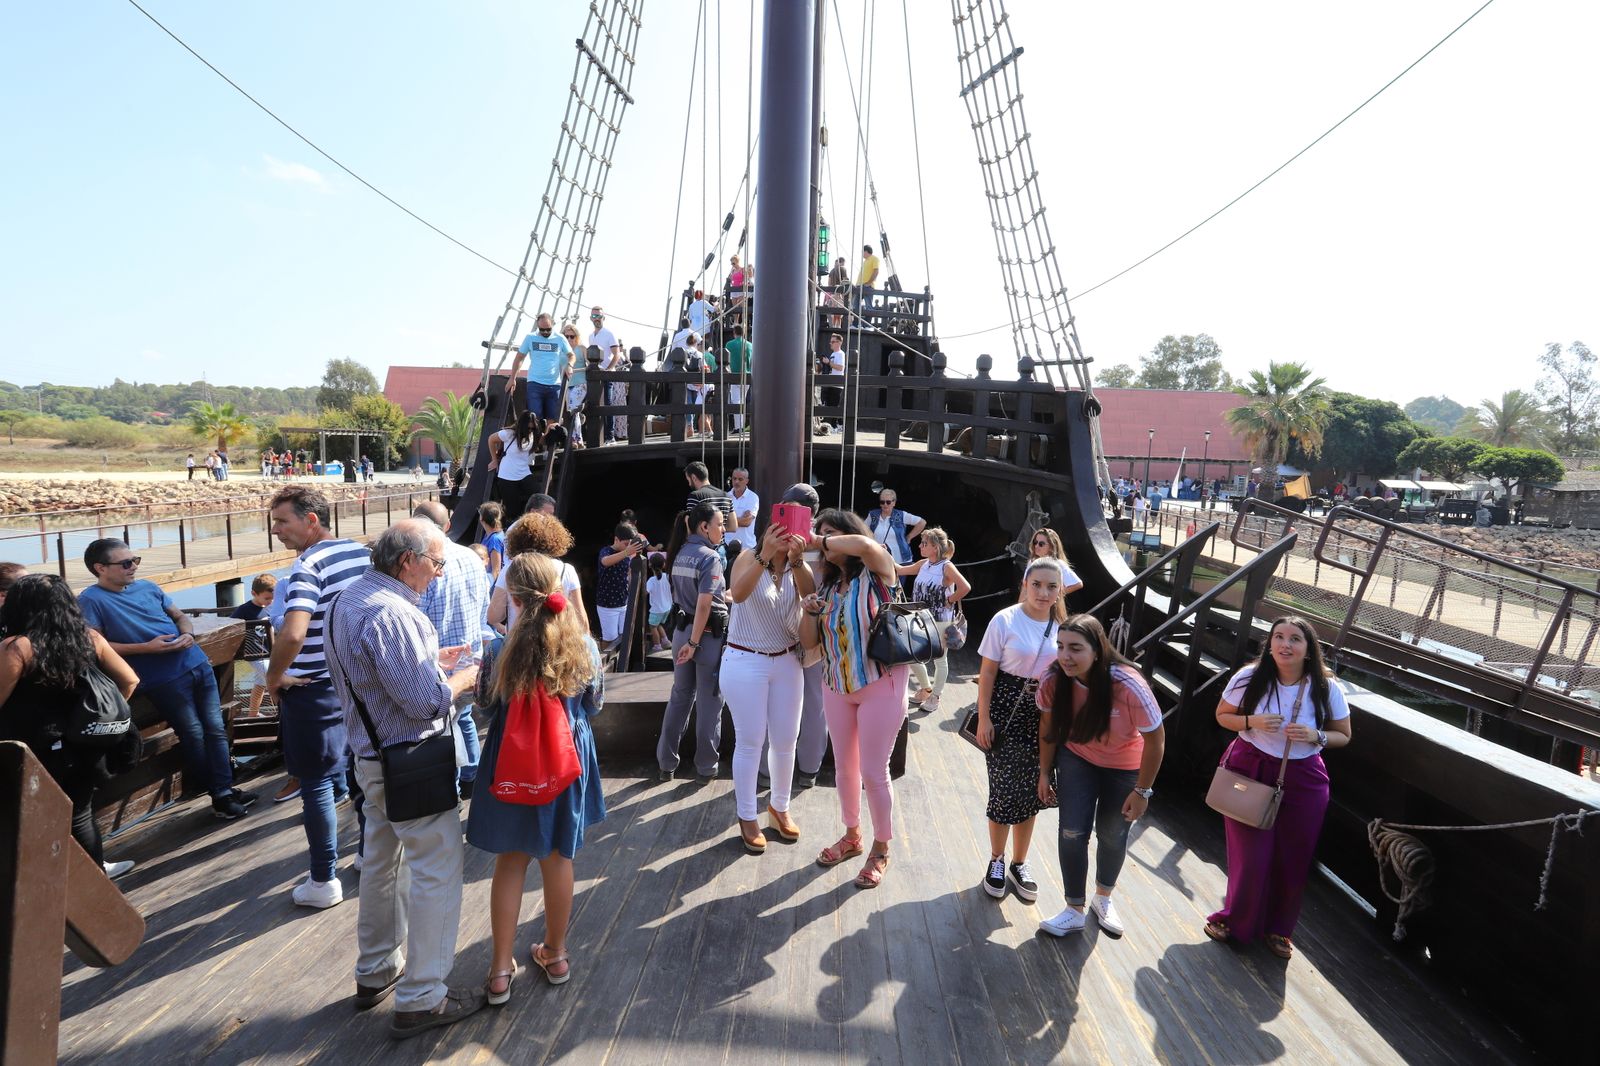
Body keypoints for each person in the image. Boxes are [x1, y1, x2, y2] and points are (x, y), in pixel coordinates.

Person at [322, 520, 485, 1038]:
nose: (438, 574)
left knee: (381, 865)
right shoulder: (394, 613)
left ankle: (375, 971)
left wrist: (430, 663)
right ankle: (422, 997)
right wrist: (464, 677)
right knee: (436, 870)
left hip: (369, 760)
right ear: (406, 561)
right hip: (410, 762)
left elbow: (368, 671)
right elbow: (424, 703)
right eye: (435, 563)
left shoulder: (352, 599)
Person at [467, 552, 606, 1000]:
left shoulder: (495, 649)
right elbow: (594, 704)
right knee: (558, 857)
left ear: (513, 597)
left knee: (510, 860)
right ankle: (556, 953)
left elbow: (484, 708)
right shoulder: (583, 645)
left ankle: (499, 972)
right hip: (566, 757)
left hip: (512, 758)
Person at [1205, 616, 1352, 959]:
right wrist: (1252, 721)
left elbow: (1343, 734)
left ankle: (1279, 929)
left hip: (1304, 777)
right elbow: (1222, 716)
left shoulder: (1325, 687)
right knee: (1251, 857)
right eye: (1279, 637)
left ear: (1308, 648)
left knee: (1293, 858)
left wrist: (1316, 736)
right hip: (1250, 767)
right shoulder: (1250, 677)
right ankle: (1235, 920)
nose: (1285, 644)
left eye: (1295, 639)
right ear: (1269, 644)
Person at [78, 539, 250, 820]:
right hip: (162, 678)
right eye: (125, 563)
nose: (132, 567)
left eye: (135, 560)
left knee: (216, 729)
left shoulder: (148, 587)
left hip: (195, 662)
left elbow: (179, 616)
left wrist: (188, 633)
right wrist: (148, 648)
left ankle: (226, 788)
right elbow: (97, 646)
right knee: (193, 734)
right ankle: (220, 795)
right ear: (100, 568)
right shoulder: (90, 600)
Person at [264, 486, 372, 909]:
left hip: (315, 687)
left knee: (316, 784)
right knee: (362, 771)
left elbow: (292, 632)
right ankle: (366, 853)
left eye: (282, 521)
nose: (276, 531)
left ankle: (324, 879)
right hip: (357, 678)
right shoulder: (361, 554)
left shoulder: (308, 564)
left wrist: (275, 676)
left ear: (312, 520)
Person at [0, 575, 141, 879]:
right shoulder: (89, 637)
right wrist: (94, 716)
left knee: (31, 819)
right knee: (80, 813)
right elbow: (130, 680)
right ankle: (96, 878)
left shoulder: (17, 647)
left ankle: (56, 888)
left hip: (37, 748)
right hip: (85, 744)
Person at [1035, 615, 1166, 938]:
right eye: (1061, 646)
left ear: (1097, 649)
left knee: (1112, 834)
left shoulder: (1128, 685)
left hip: (1124, 767)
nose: (1065, 655)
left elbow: (1156, 739)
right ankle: (1073, 908)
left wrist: (1143, 791)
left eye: (1076, 648)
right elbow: (1048, 728)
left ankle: (1103, 898)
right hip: (1077, 758)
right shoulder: (1053, 680)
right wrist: (1044, 772)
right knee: (1071, 832)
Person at [801, 508, 907, 889]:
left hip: (881, 681)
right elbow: (809, 643)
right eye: (820, 535)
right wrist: (810, 613)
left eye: (831, 535)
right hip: (836, 684)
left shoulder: (879, 572)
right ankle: (852, 835)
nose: (825, 542)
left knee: (874, 771)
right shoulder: (828, 587)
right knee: (844, 767)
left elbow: (864, 544)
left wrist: (816, 541)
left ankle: (881, 848)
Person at [972, 557, 1064, 903]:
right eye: (1037, 584)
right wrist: (984, 718)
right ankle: (996, 859)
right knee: (1004, 789)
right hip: (1007, 708)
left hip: (1045, 713)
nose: (1043, 592)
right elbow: (988, 673)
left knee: (1033, 793)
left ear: (1059, 591)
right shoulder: (1005, 620)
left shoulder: (1061, 626)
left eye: (1051, 586)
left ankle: (1019, 862)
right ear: (1025, 583)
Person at [723, 519, 815, 853]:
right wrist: (765, 556)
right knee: (750, 741)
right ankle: (747, 814)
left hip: (787, 660)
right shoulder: (748, 557)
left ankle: (780, 806)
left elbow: (810, 595)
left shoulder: (797, 567)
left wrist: (797, 560)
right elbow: (739, 593)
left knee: (786, 740)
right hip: (746, 659)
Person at [413, 502, 492, 799]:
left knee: (447, 726)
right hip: (471, 656)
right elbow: (484, 605)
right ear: (447, 525)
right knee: (464, 717)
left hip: (440, 661)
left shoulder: (426, 562)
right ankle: (472, 776)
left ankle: (454, 786)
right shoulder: (472, 558)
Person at [657, 501, 728, 781]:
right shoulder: (710, 557)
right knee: (711, 702)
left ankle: (666, 763)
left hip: (680, 634)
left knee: (680, 697)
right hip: (705, 639)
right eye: (720, 524)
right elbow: (704, 604)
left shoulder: (680, 553)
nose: (723, 529)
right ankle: (706, 766)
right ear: (704, 527)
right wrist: (696, 644)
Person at [898, 527, 970, 714]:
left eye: (924, 543)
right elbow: (899, 570)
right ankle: (926, 689)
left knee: (940, 660)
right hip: (920, 618)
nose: (920, 546)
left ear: (935, 547)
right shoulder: (924, 564)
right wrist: (881, 553)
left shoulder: (946, 566)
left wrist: (949, 600)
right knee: (911, 655)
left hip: (940, 621)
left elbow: (965, 587)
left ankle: (935, 696)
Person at [489, 512, 588, 636]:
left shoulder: (509, 570)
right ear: (555, 539)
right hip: (557, 646)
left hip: (517, 646)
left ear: (517, 539)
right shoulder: (567, 570)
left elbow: (494, 616)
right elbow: (581, 621)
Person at [508, 312, 573, 424]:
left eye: (548, 329)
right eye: (542, 330)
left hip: (554, 384)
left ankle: (548, 440)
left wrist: (569, 365)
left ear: (553, 325)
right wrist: (512, 378)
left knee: (553, 419)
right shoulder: (530, 338)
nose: (545, 332)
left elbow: (571, 355)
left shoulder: (560, 338)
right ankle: (535, 440)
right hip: (535, 383)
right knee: (534, 418)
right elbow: (519, 358)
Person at [229, 573, 277, 716]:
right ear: (254, 593)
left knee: (260, 684)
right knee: (274, 677)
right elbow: (230, 625)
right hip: (254, 654)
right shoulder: (244, 609)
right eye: (267, 598)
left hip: (268, 652)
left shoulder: (269, 608)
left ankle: (252, 714)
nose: (270, 601)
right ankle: (284, 711)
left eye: (272, 598)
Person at [595, 521, 646, 645]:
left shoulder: (628, 554)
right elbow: (605, 562)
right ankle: (605, 664)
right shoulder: (606, 551)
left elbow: (629, 573)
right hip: (607, 604)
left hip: (623, 602)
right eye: (626, 544)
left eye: (630, 544)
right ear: (616, 539)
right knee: (610, 638)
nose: (628, 547)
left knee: (625, 636)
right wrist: (627, 552)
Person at [486, 410, 542, 521]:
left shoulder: (533, 434)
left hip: (524, 472)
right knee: (513, 510)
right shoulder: (509, 434)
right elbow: (491, 439)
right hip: (507, 475)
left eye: (533, 428)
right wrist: (494, 460)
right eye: (528, 428)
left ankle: (532, 522)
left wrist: (550, 428)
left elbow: (542, 439)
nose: (530, 430)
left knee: (538, 496)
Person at [1024, 527, 1084, 621]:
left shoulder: (1058, 563)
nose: (1036, 546)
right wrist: (1020, 606)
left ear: (1051, 546)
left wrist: (1054, 594)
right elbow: (1025, 587)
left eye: (1041, 544)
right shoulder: (1031, 562)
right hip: (1031, 607)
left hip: (1050, 610)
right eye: (1035, 542)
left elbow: (1077, 584)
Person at [586, 307, 626, 443]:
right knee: (594, 405)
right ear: (590, 318)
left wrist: (609, 369)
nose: (596, 318)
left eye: (599, 316)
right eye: (594, 316)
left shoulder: (609, 334)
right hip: (594, 376)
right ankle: (598, 436)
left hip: (606, 376)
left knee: (608, 405)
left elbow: (617, 354)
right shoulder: (591, 336)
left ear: (604, 317)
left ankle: (610, 436)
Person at [866, 488, 925, 568]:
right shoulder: (873, 515)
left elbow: (921, 522)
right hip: (878, 559)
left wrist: (909, 537)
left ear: (894, 503)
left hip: (900, 560)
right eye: (882, 502)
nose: (885, 505)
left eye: (888, 502)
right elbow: (862, 529)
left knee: (898, 581)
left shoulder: (901, 515)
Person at [559, 322, 588, 447]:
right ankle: (576, 438)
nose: (569, 339)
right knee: (572, 411)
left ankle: (576, 439)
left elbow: (591, 365)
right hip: (565, 385)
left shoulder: (581, 349)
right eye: (566, 336)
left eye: (572, 336)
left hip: (580, 383)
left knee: (573, 409)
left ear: (577, 336)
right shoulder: (560, 350)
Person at [724, 324, 751, 433]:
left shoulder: (729, 344)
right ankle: (741, 425)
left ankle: (738, 427)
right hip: (747, 376)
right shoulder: (750, 345)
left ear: (734, 333)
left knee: (736, 401)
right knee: (743, 401)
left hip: (734, 376)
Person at [726, 467, 759, 554]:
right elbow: (720, 520)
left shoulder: (753, 497)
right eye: (734, 478)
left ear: (747, 481)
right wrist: (741, 519)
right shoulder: (726, 496)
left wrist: (728, 520)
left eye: (740, 479)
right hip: (727, 545)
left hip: (747, 547)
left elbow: (747, 522)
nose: (736, 482)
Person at [645, 553, 672, 652]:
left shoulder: (651, 580)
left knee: (652, 626)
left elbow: (645, 592)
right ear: (664, 564)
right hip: (667, 608)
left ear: (649, 565)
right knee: (658, 624)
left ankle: (657, 646)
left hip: (657, 609)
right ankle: (666, 641)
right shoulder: (667, 577)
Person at [479, 502, 506, 582]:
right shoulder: (489, 535)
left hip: (490, 584)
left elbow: (496, 571)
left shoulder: (495, 539)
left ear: (482, 519)